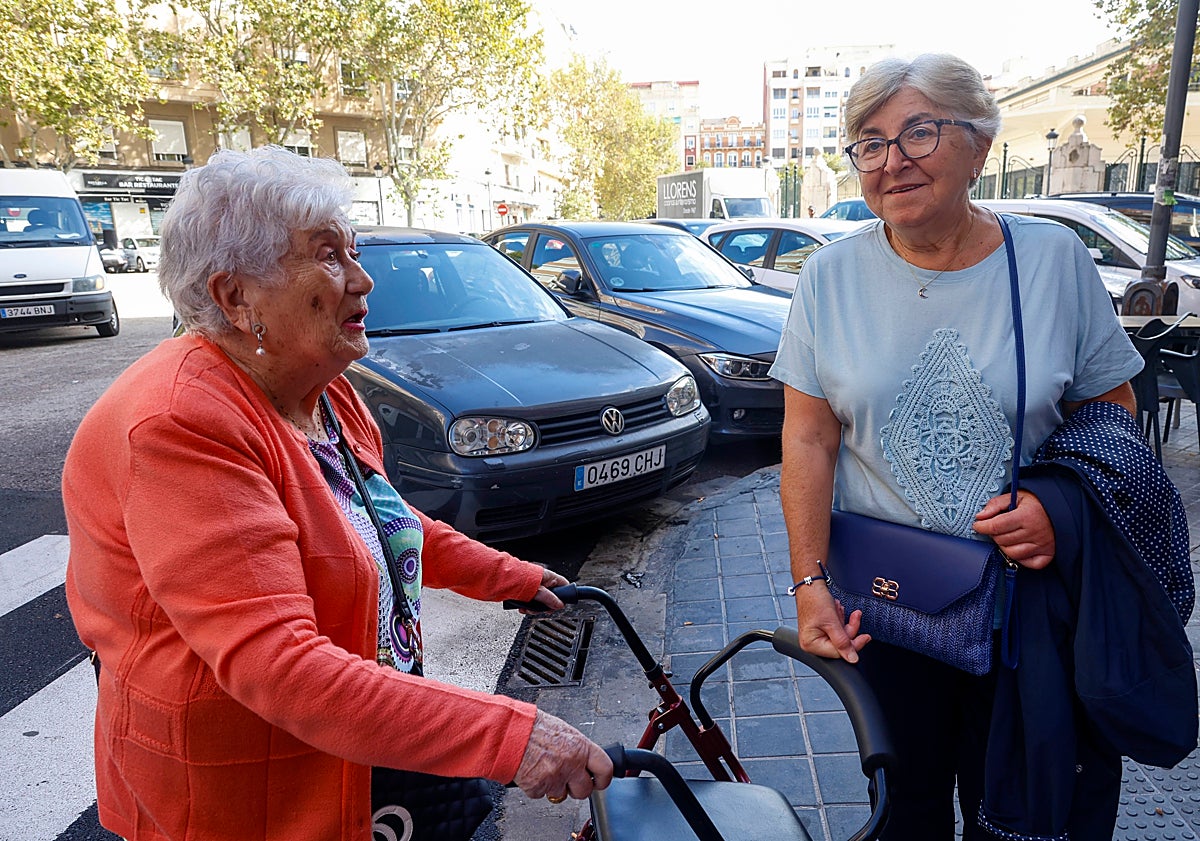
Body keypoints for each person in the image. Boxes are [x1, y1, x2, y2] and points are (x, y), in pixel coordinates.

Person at [62, 146, 612, 841]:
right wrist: (512, 735)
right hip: (241, 796)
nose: (362, 278)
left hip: (353, 751)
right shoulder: (181, 422)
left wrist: (513, 575)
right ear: (236, 297)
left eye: (352, 251)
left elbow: (381, 522)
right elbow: (280, 666)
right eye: (328, 255)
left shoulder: (325, 392)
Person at [769, 54, 1145, 839]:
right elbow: (807, 437)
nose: (892, 160)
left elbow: (1114, 414)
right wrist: (809, 581)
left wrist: (1058, 508)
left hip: (1026, 606)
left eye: (919, 132)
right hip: (882, 605)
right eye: (871, 143)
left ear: (980, 147)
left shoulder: (1052, 260)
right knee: (903, 808)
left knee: (1013, 809)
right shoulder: (828, 278)